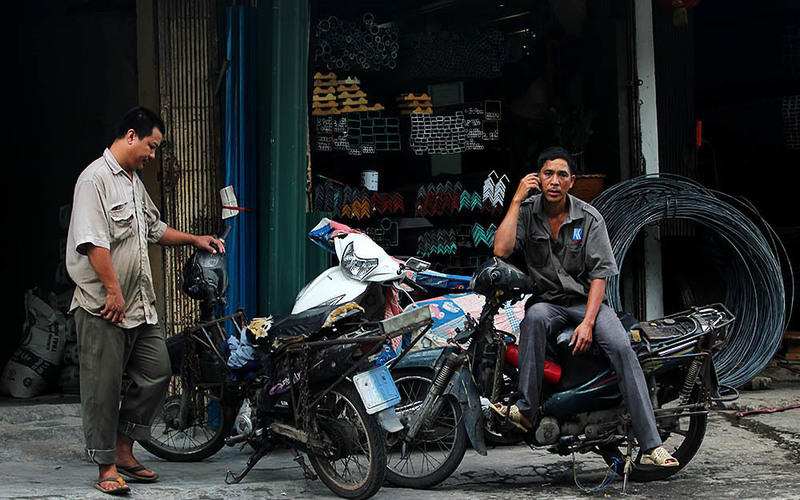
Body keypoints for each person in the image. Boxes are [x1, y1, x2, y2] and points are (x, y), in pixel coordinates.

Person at [66, 106, 226, 494]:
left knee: (157, 370)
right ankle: (106, 467)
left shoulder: (134, 183)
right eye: (152, 146)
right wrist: (113, 291)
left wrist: (193, 239)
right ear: (132, 136)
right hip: (102, 304)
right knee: (102, 388)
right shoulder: (95, 180)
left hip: (140, 305)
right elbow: (93, 243)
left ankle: (123, 449)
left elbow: (153, 229)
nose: (153, 155)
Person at [491, 146, 678, 467]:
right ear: (538, 178)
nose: (554, 181)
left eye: (562, 175)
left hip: (586, 303)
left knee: (621, 346)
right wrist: (516, 199)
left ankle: (651, 443)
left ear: (572, 181)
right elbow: (502, 249)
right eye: (547, 173)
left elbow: (600, 276)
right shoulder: (527, 212)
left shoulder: (589, 218)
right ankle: (526, 411)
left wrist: (589, 322)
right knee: (532, 319)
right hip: (547, 303)